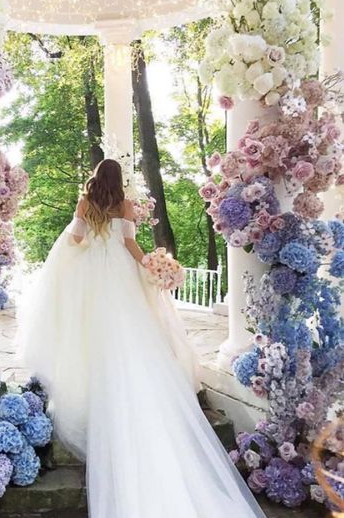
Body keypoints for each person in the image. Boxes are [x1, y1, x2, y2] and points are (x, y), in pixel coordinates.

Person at [18, 159, 265, 518]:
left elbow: (75, 238)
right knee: (130, 326)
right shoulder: (126, 205)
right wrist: (152, 265)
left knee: (91, 328)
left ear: (96, 178)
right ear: (119, 181)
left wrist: (88, 234)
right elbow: (132, 245)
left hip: (92, 275)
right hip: (119, 274)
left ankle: (92, 377)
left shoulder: (86, 203)